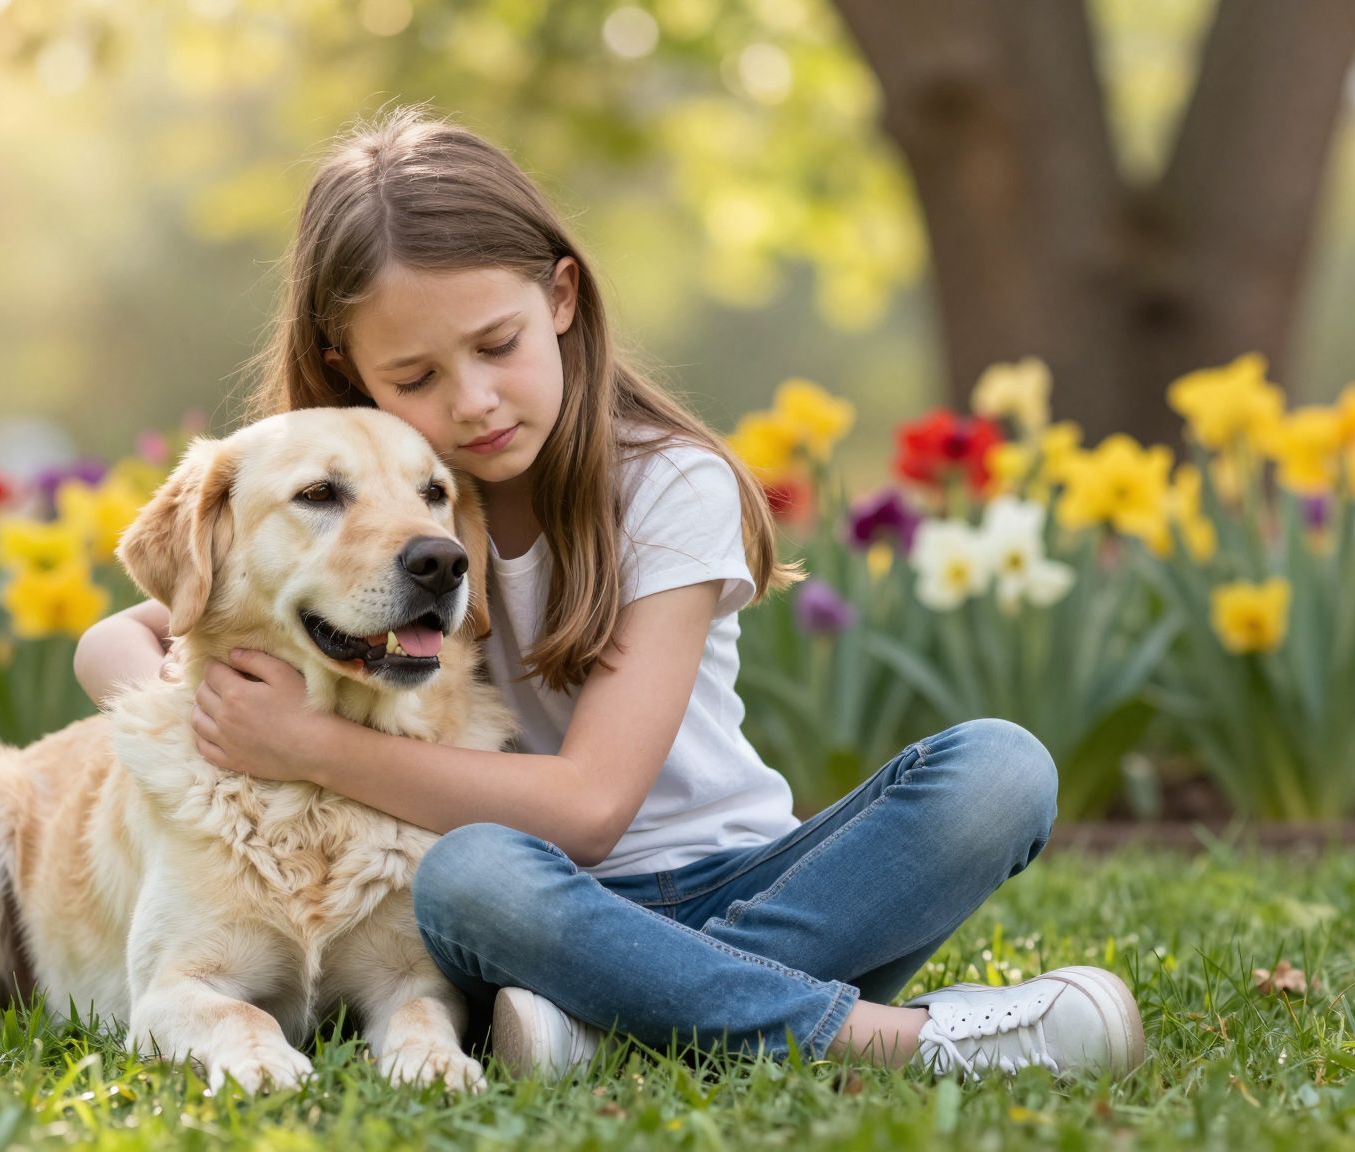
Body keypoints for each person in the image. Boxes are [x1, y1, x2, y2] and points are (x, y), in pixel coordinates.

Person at [74, 108, 1143, 1081]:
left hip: (745, 878)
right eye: (415, 379)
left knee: (1000, 769)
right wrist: (208, 710)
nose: (475, 402)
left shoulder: (667, 483)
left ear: (561, 297)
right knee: (471, 877)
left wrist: (303, 745)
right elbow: (113, 640)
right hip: (530, 909)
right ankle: (884, 1041)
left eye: (497, 346)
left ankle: (617, 1018)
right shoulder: (387, 527)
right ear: (347, 368)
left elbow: (591, 810)